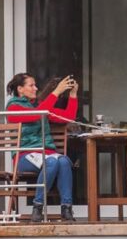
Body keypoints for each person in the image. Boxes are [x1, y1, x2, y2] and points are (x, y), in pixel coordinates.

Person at [5, 73, 79, 222]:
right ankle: (38, 206)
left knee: (64, 161)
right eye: (31, 85)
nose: (36, 88)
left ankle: (66, 208)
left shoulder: (39, 106)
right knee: (51, 162)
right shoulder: (13, 107)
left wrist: (73, 94)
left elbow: (68, 117)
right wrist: (56, 92)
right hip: (24, 156)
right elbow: (37, 115)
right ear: (20, 89)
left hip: (48, 154)